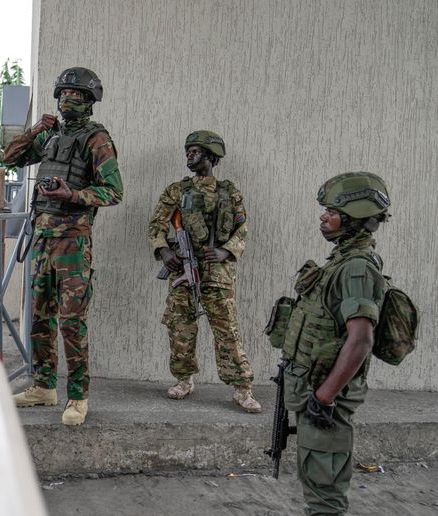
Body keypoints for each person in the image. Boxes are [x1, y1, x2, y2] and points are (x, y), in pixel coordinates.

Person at [3, 67, 123, 426]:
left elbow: (114, 191)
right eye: (63, 93)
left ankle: (77, 396)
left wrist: (72, 193)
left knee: (72, 322)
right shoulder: (51, 138)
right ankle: (43, 387)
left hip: (73, 243)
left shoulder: (96, 139)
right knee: (39, 317)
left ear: (89, 101)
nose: (67, 100)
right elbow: (9, 158)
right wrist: (35, 131)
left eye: (75, 95)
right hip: (42, 239)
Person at [279, 172, 391, 514]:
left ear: (354, 219)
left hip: (326, 399)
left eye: (332, 211)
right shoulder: (343, 262)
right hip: (316, 392)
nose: (323, 216)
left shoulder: (356, 269)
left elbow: (360, 340)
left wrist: (324, 397)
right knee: (316, 483)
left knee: (325, 495)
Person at [148, 131, 261, 413]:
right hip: (183, 266)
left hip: (218, 271)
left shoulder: (229, 191)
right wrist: (165, 251)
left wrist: (226, 251)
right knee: (180, 327)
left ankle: (242, 387)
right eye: (188, 151)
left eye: (196, 151)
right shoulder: (177, 190)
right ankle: (184, 379)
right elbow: (156, 225)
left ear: (211, 156)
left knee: (227, 329)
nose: (189, 155)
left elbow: (242, 228)